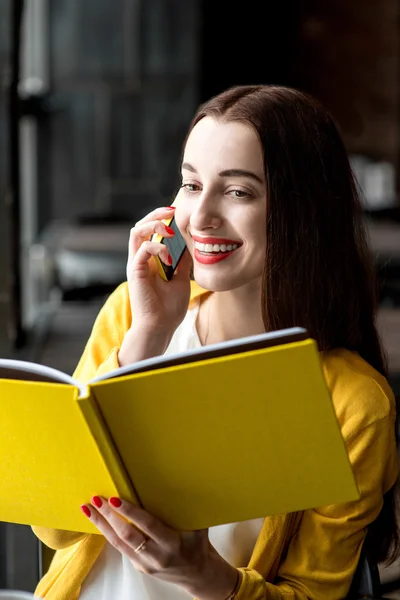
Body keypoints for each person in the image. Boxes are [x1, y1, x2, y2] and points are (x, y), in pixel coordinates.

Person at [33, 85, 399, 600]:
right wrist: (148, 337)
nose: (199, 216)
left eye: (237, 191)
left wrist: (203, 575)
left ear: (304, 211)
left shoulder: (354, 406)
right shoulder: (131, 313)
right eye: (190, 184)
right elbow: (57, 529)